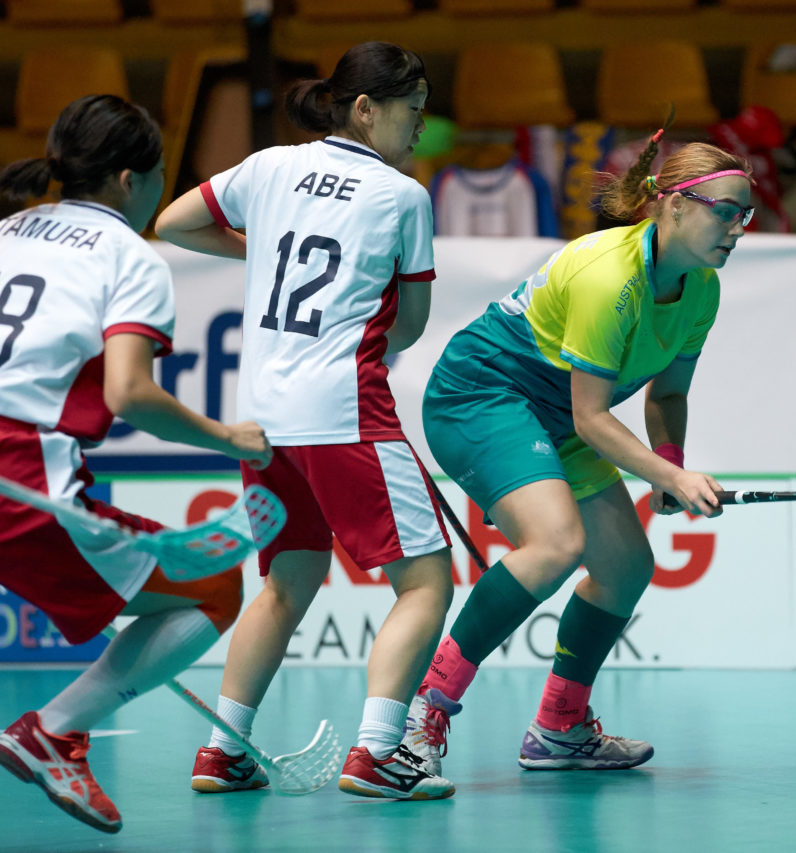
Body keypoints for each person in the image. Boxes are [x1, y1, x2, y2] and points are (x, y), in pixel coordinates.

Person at [0, 94, 273, 834]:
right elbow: (129, 392)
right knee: (214, 585)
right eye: (161, 175)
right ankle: (55, 731)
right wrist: (232, 439)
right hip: (10, 470)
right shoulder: (131, 255)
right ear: (131, 180)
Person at [155, 41, 456, 801]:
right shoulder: (401, 196)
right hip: (344, 408)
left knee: (287, 583)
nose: (419, 129)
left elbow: (174, 223)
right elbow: (410, 324)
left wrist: (256, 259)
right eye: (412, 113)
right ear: (366, 109)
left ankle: (222, 751)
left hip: (263, 419)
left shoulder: (268, 167)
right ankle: (379, 752)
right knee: (424, 582)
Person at [406, 133, 750, 775]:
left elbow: (666, 393)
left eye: (745, 214)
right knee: (555, 543)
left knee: (624, 566)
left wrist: (668, 461)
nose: (737, 228)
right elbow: (594, 418)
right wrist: (670, 473)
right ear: (673, 205)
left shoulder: (701, 288)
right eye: (724, 210)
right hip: (483, 394)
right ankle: (424, 711)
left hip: (557, 413)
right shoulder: (609, 276)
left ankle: (560, 728)